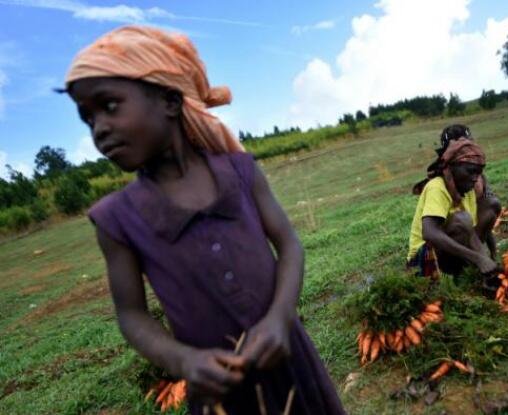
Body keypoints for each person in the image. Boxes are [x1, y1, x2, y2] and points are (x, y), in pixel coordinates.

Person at [61, 26, 345, 414]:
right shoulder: (117, 220)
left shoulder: (240, 171)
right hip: (218, 392)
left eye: (109, 106)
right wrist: (185, 362)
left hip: (289, 357)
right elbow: (132, 315)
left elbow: (289, 243)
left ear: (170, 102)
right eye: (87, 119)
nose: (99, 130)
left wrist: (280, 317)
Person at [406, 137, 499, 284]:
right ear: (452, 168)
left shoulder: (466, 190)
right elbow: (429, 232)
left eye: (479, 173)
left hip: (447, 253)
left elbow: (471, 234)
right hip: (424, 260)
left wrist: (487, 261)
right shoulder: (437, 187)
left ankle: (467, 275)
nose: (476, 178)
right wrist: (478, 258)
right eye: (471, 171)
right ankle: (454, 275)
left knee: (485, 208)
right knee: (462, 219)